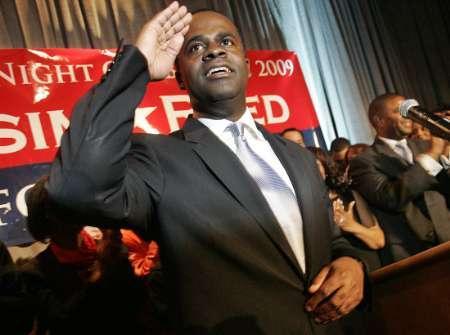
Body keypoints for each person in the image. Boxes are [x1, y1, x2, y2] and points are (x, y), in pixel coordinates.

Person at [46, 2, 367, 333]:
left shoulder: (298, 157)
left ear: (247, 64)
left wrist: (352, 263)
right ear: (179, 77)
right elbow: (74, 188)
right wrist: (134, 68)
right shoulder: (158, 158)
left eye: (226, 42)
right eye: (196, 47)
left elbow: (329, 238)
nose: (214, 51)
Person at [349, 93, 450, 265]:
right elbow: (391, 198)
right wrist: (433, 155)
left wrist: (445, 161)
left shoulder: (424, 146)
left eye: (410, 110)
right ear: (379, 121)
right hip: (411, 251)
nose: (408, 116)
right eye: (400, 111)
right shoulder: (364, 161)